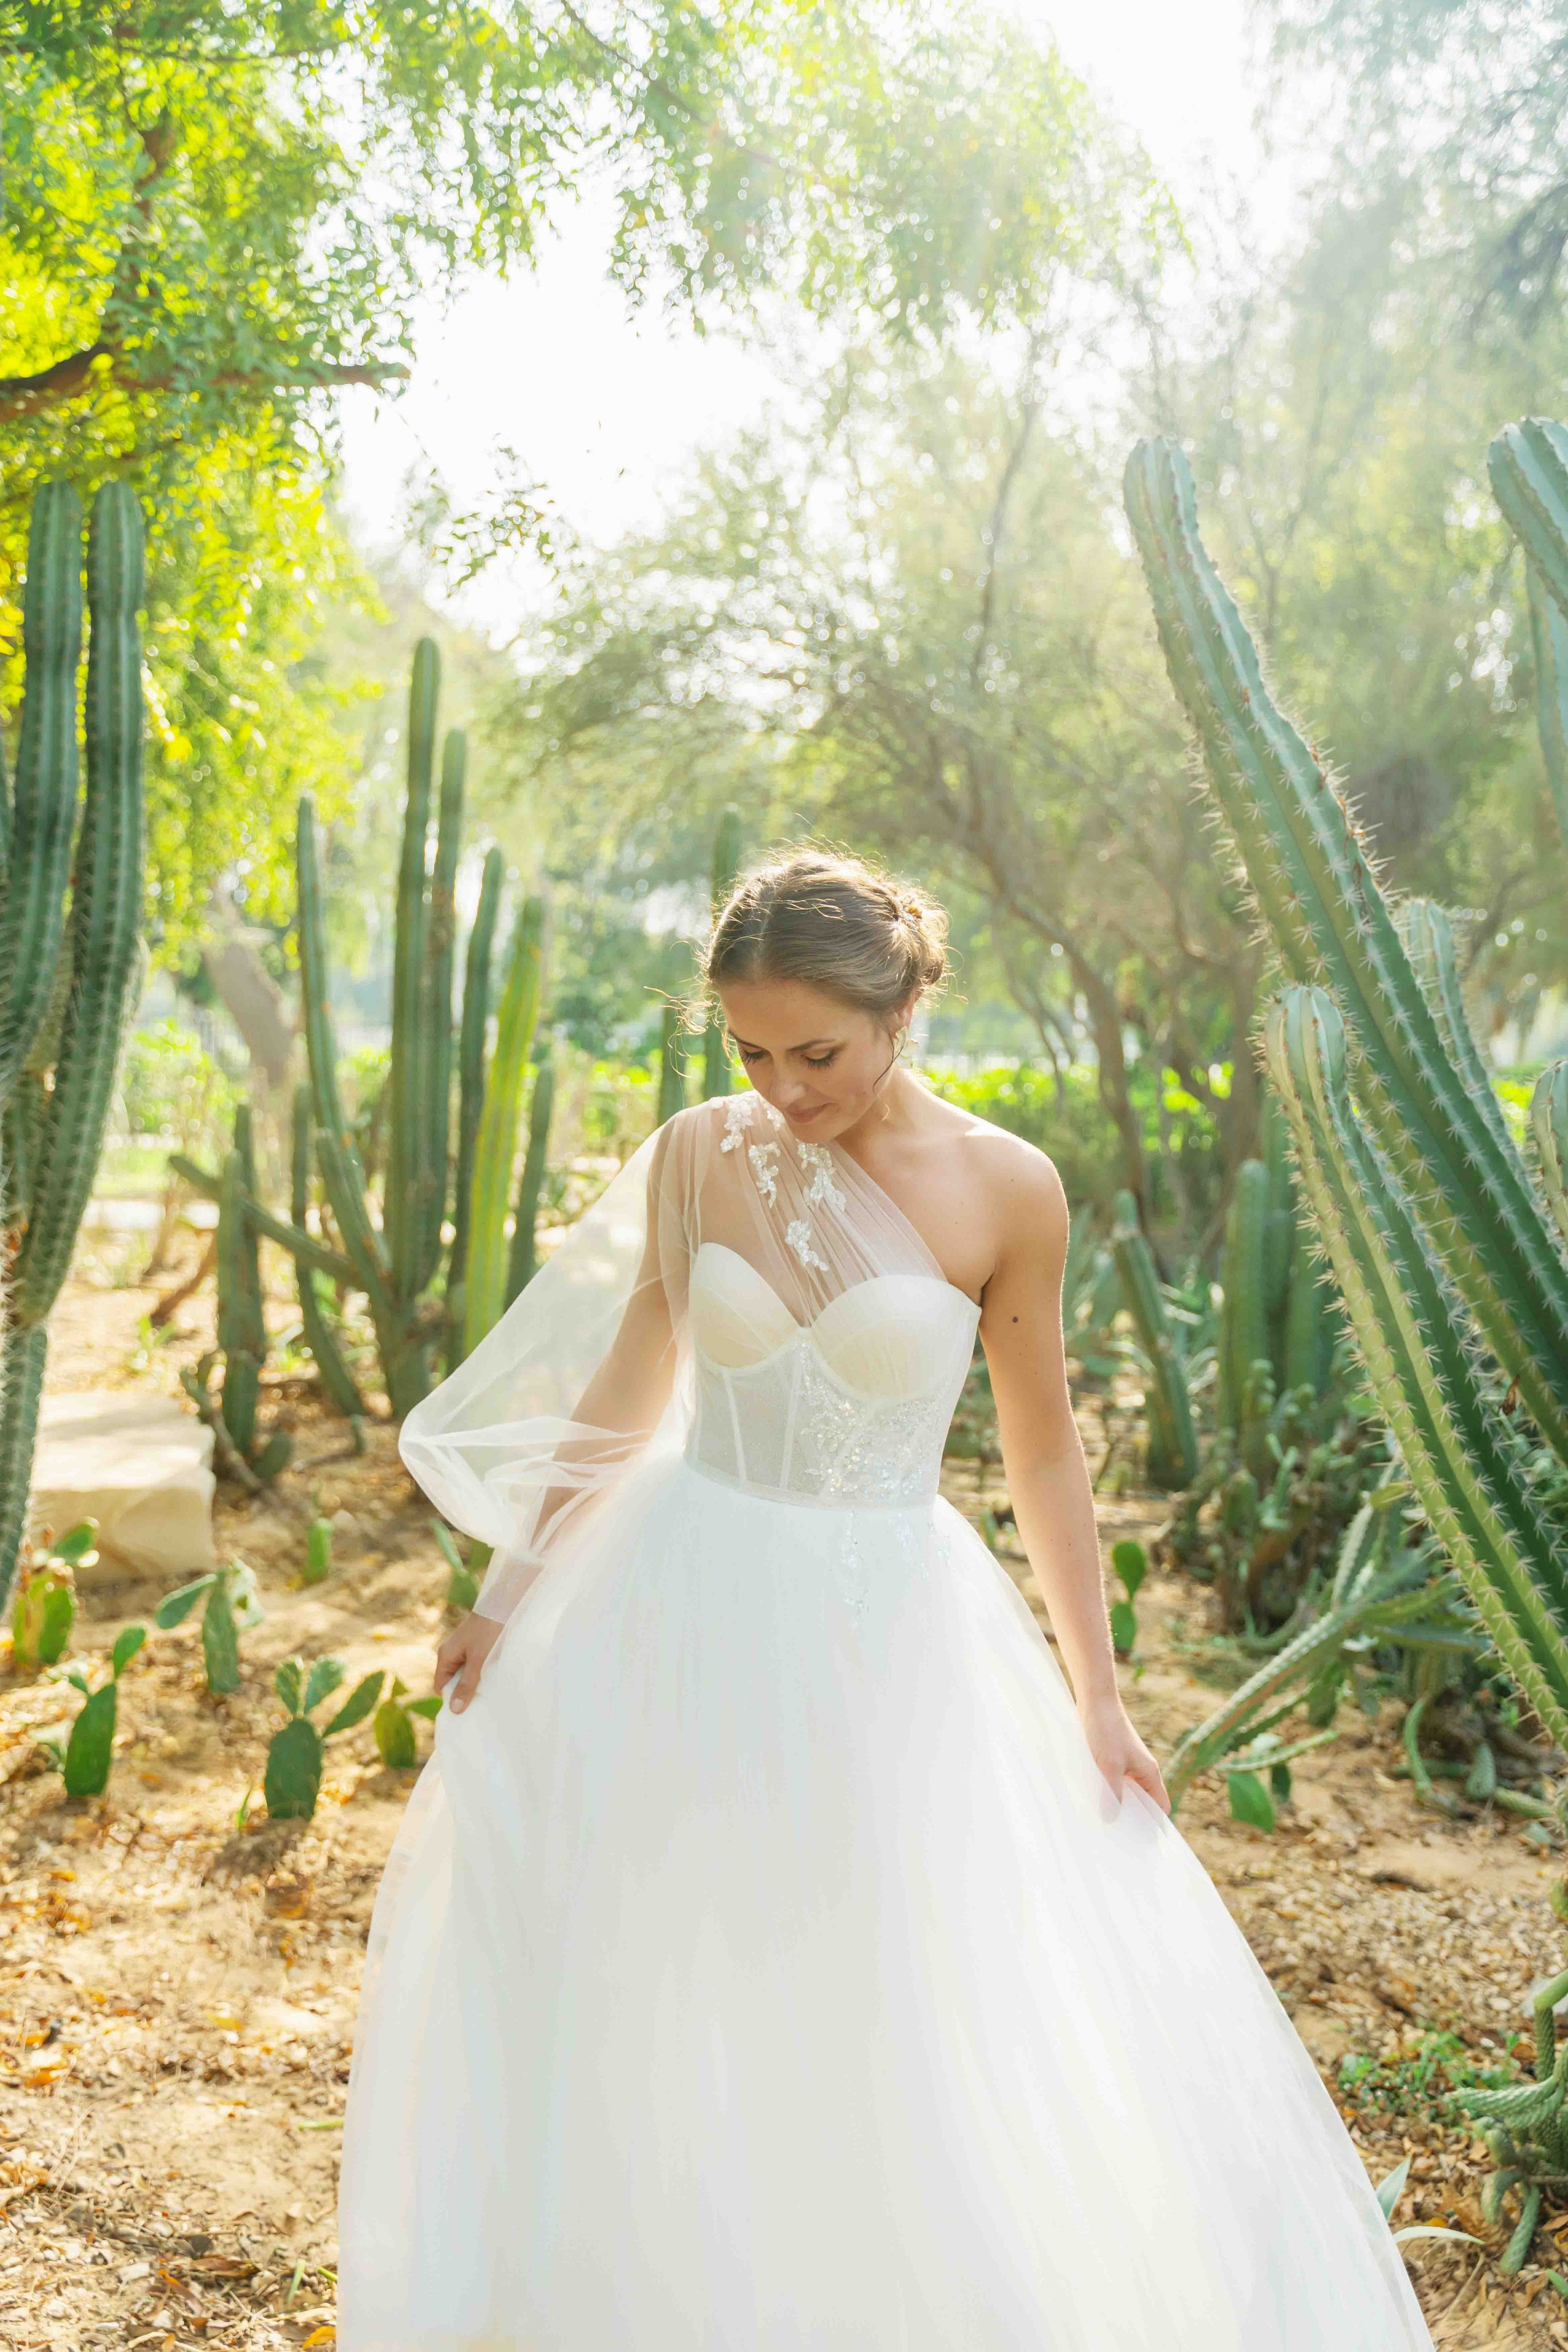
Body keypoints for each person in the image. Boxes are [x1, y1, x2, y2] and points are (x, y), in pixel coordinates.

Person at [336, 848, 1435, 2351]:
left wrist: (1099, 1701)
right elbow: (623, 1391)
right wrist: (504, 1592)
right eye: (748, 1051)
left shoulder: (1004, 1188)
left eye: (817, 1053)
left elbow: (1044, 1457)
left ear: (904, 1003)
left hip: (885, 1630)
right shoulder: (696, 1154)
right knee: (660, 1963)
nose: (780, 1089)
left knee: (879, 1983)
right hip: (676, 1601)